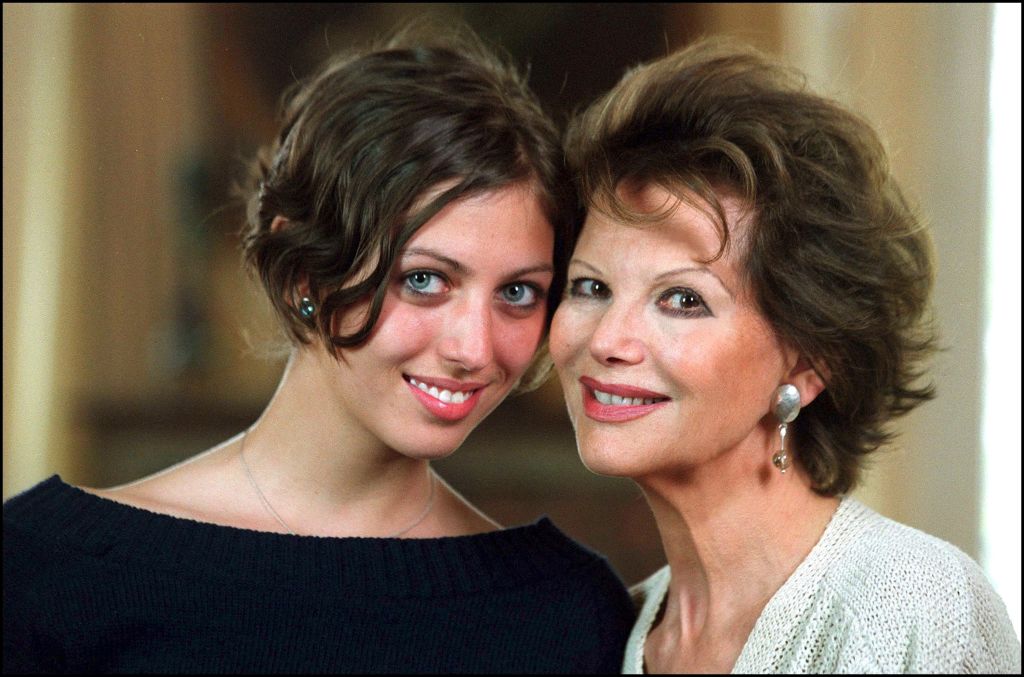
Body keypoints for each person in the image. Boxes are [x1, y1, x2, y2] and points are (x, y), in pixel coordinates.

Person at [3, 25, 634, 673]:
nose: (475, 347)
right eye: (423, 279)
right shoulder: (44, 567)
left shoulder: (565, 613)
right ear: (306, 272)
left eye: (519, 293)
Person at [550, 37, 1022, 673]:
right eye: (591, 287)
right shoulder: (618, 631)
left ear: (809, 360)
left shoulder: (916, 610)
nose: (606, 340)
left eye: (683, 300)